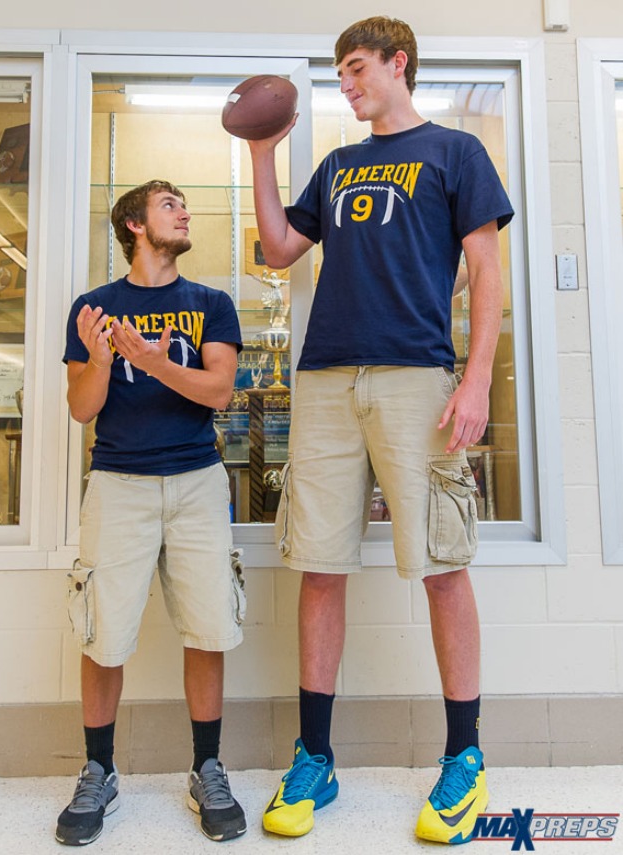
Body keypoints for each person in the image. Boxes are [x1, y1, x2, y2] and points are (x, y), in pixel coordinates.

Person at [246, 16, 514, 846]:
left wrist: (475, 378)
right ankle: (315, 756)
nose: (349, 84)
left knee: (441, 566)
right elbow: (279, 247)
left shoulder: (455, 153)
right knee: (319, 566)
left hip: (416, 377)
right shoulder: (336, 164)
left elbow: (486, 271)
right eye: (343, 73)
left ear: (400, 65)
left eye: (359, 68)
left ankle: (464, 754)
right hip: (327, 381)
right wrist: (260, 151)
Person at [57, 179, 247, 846]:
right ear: (135, 224)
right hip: (119, 484)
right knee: (104, 632)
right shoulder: (95, 308)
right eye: (170, 205)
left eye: (184, 206)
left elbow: (219, 392)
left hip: (197, 482)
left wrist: (154, 363)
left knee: (208, 626)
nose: (184, 213)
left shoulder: (211, 304)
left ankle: (206, 766)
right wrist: (107, 357)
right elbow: (82, 407)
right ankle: (98, 769)